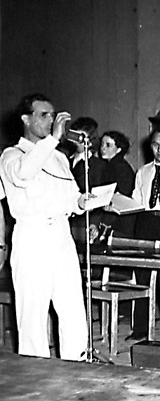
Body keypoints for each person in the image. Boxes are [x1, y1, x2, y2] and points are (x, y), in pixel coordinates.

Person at [0, 93, 89, 360]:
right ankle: (34, 373)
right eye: (43, 115)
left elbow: (71, 196)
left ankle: (76, 367)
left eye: (52, 115)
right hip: (32, 236)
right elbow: (23, 174)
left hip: (61, 235)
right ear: (26, 119)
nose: (51, 120)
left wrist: (82, 202)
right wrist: (52, 140)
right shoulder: (11, 155)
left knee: (72, 308)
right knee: (32, 314)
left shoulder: (59, 158)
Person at [128, 124, 160, 343]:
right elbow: (137, 201)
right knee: (142, 276)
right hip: (146, 222)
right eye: (156, 145)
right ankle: (140, 328)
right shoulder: (143, 172)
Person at [66, 116, 105, 245]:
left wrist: (95, 223)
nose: (78, 141)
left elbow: (99, 196)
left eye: (82, 137)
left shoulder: (98, 165)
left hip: (85, 223)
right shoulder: (65, 161)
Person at [100, 130, 136, 238]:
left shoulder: (120, 168)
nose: (103, 148)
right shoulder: (110, 166)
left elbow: (124, 195)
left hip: (119, 221)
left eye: (108, 145)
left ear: (119, 149)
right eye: (102, 144)